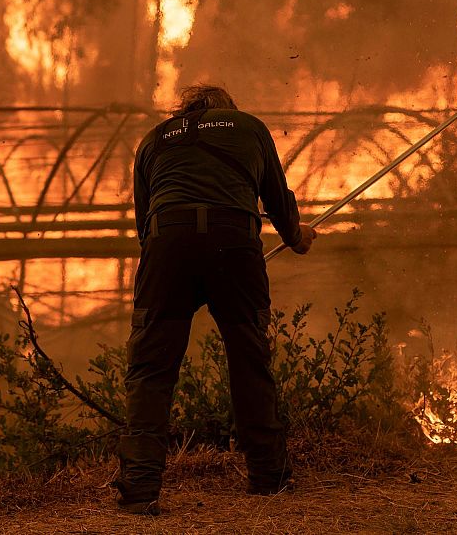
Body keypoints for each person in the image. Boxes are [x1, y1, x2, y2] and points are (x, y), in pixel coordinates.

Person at [113, 84, 317, 515]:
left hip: (167, 245)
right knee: (249, 358)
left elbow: (144, 225)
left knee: (150, 367)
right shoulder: (250, 128)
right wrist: (299, 238)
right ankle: (268, 478)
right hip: (233, 243)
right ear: (229, 109)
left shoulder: (153, 138)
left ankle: (140, 489)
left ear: (184, 110)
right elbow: (279, 204)